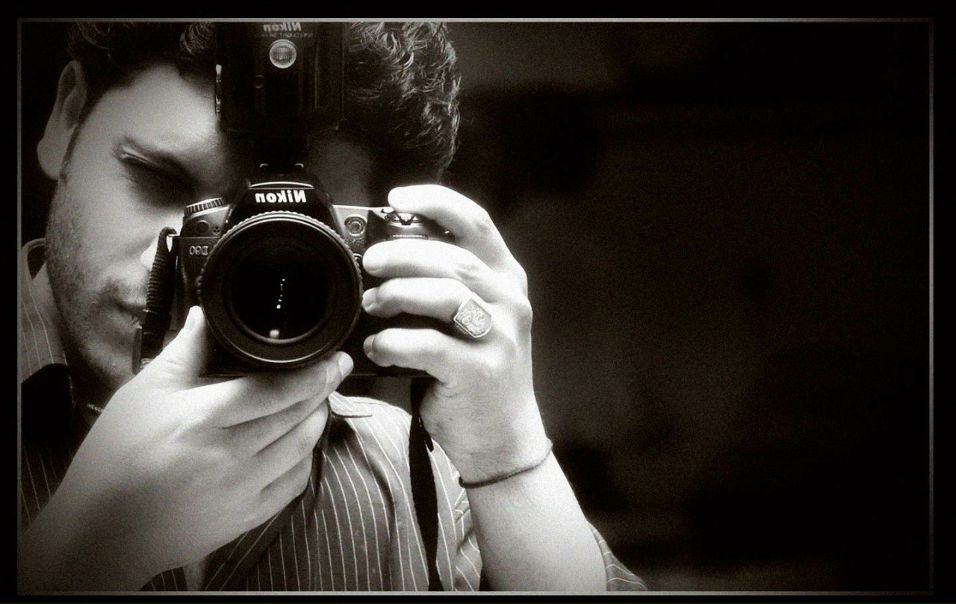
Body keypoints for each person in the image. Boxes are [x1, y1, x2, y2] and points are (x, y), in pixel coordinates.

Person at [17, 21, 646, 592]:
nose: (185, 266)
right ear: (67, 118)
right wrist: (82, 554)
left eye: (287, 237)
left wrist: (509, 458)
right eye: (159, 178)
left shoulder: (411, 474)